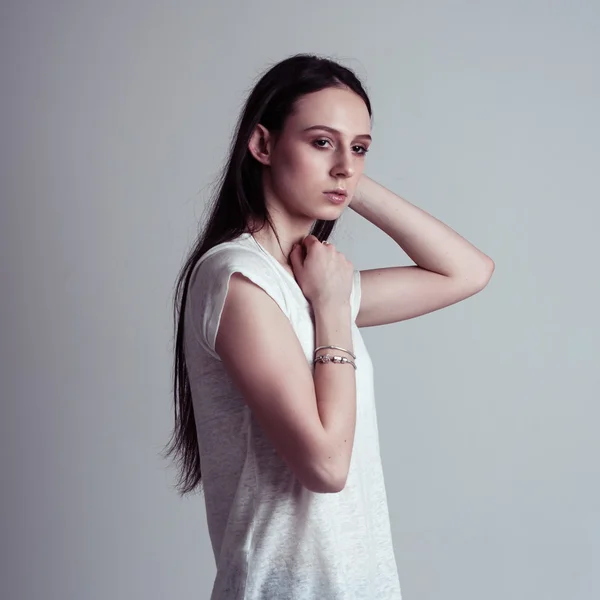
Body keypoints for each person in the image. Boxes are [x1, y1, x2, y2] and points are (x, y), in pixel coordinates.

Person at [164, 53, 494, 600]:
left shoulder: (309, 282)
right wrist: (335, 311)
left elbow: (467, 271)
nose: (345, 163)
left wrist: (344, 180)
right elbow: (325, 465)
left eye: (359, 147)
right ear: (263, 145)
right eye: (321, 141)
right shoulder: (239, 279)